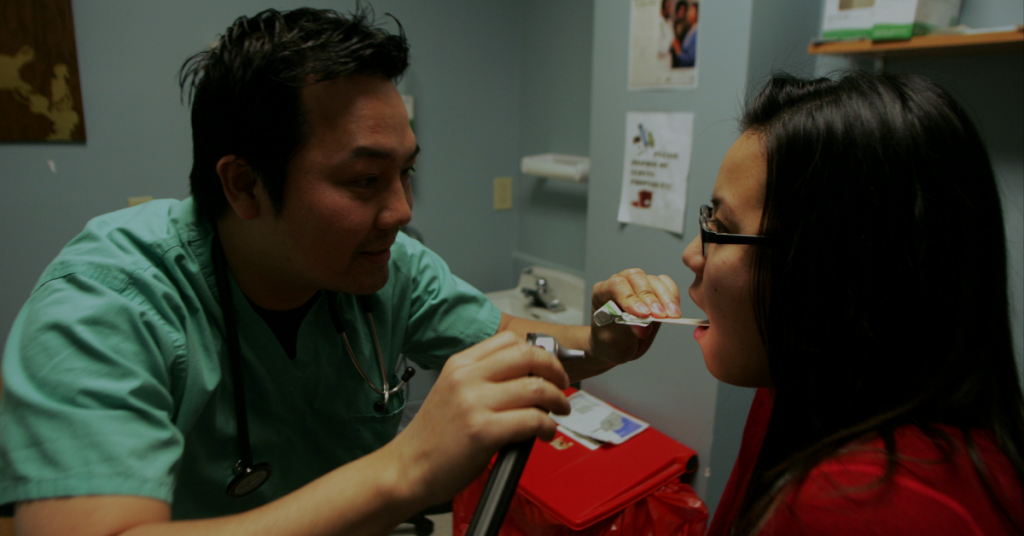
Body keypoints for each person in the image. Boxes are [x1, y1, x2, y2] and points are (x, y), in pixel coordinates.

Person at [0, 8, 682, 535]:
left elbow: (525, 347)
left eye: (406, 172)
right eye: (364, 181)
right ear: (243, 186)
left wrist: (601, 343)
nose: (402, 211)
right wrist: (407, 469)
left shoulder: (390, 270)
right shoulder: (104, 302)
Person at [682, 71, 1024, 535]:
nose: (693, 255)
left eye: (720, 228)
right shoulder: (798, 387)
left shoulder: (858, 507)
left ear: (829, 268)